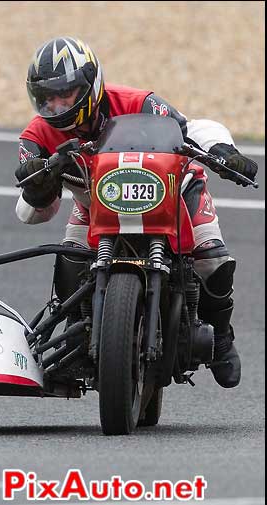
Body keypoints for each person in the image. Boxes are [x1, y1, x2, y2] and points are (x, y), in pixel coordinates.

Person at [14, 36, 259, 388]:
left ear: (89, 85)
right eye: (47, 97)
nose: (56, 104)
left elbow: (189, 127)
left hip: (174, 194)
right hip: (97, 205)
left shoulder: (137, 102)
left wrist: (224, 150)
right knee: (70, 256)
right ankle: (76, 333)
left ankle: (219, 337)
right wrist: (37, 185)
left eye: (65, 93)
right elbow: (36, 211)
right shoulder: (36, 136)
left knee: (212, 260)